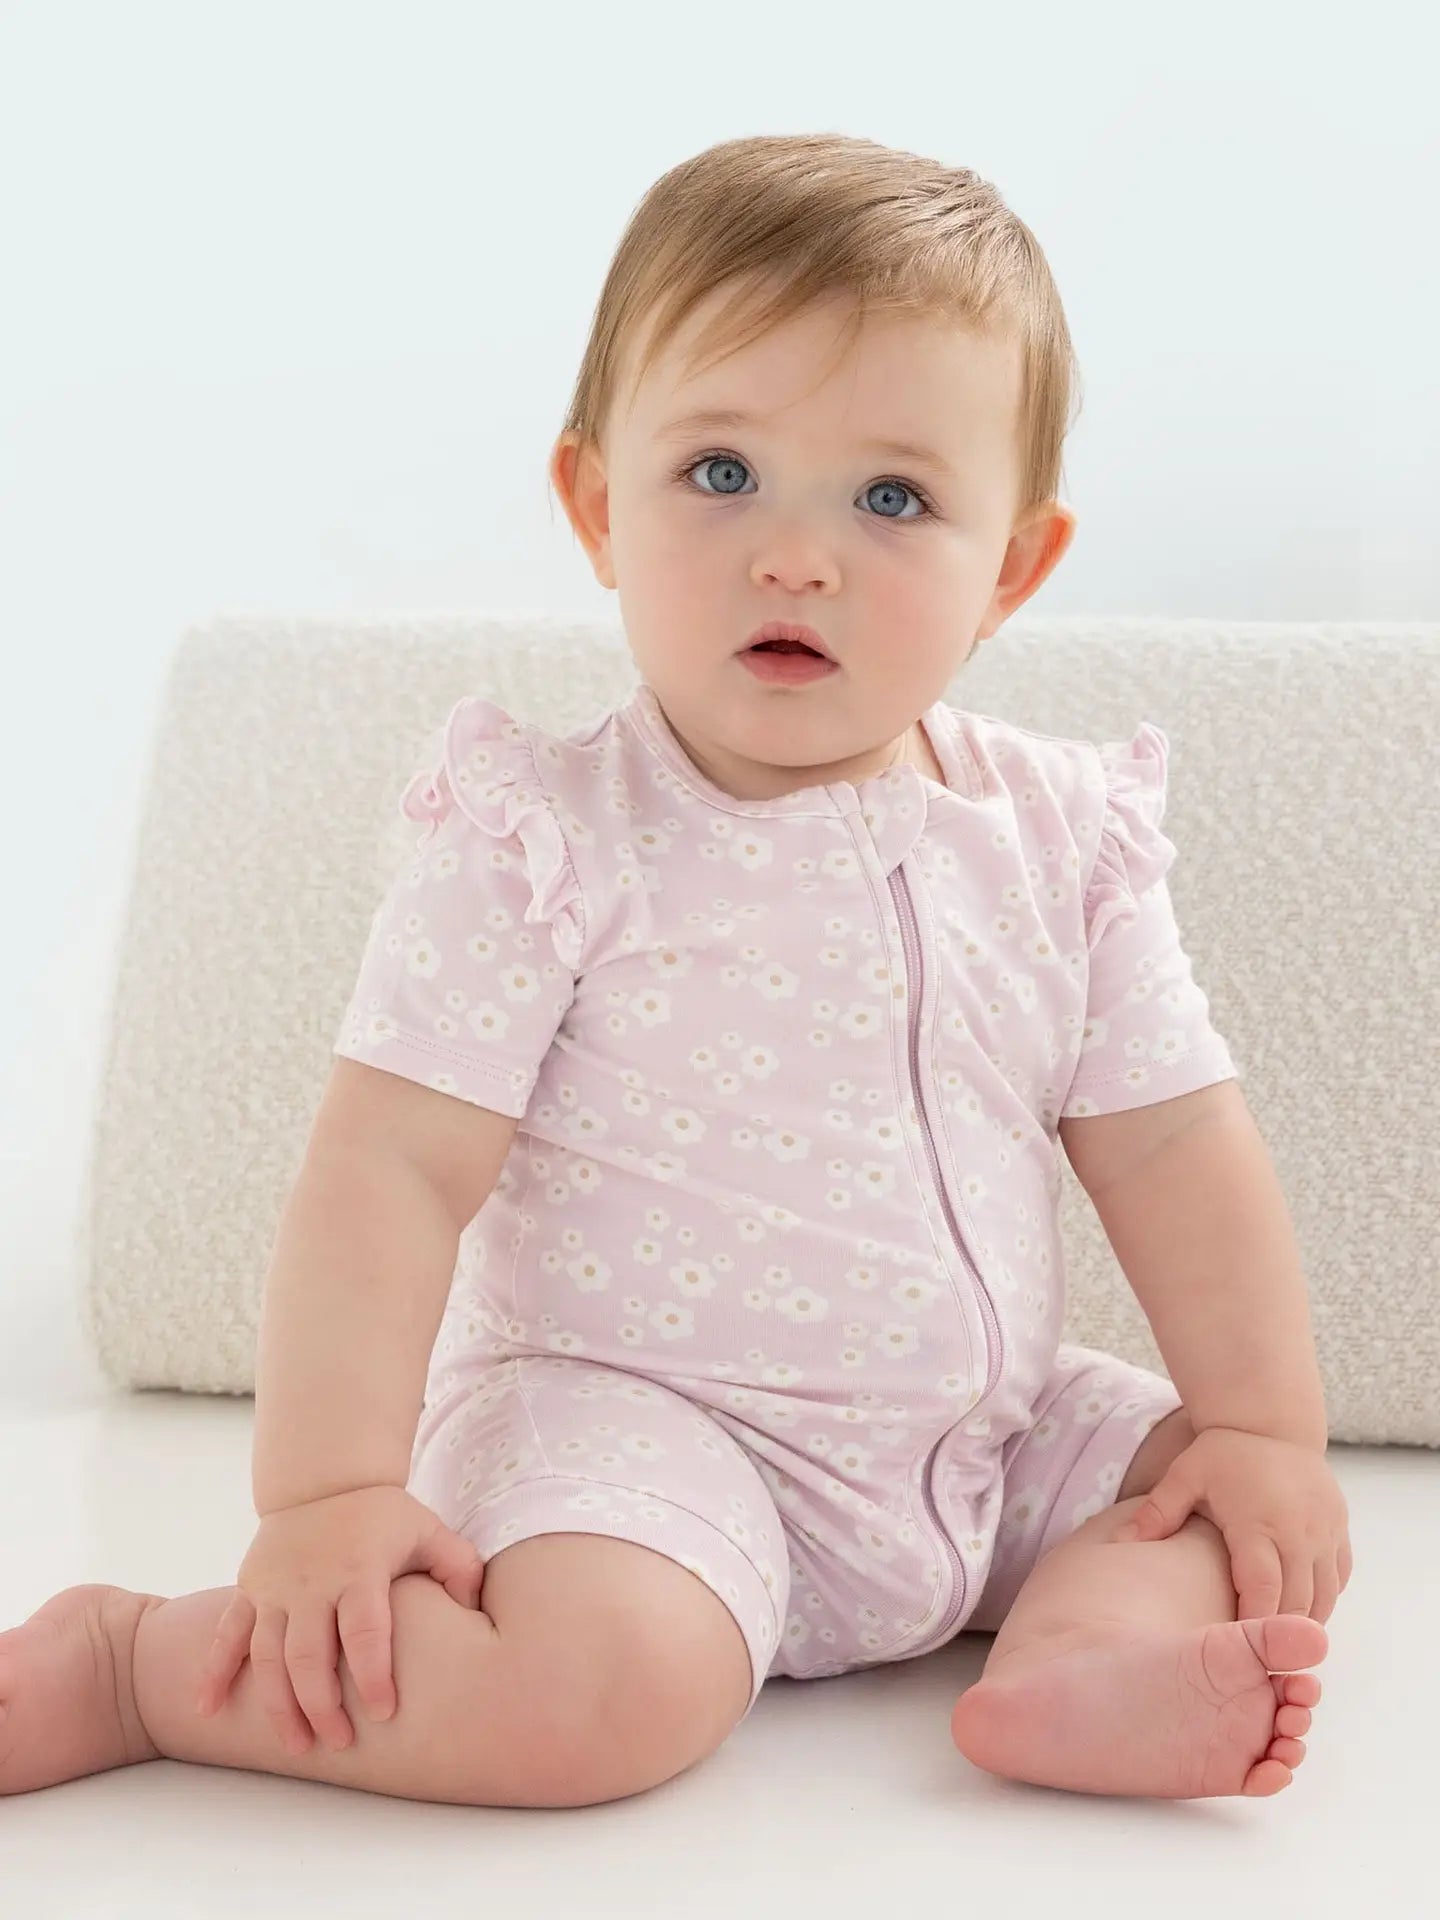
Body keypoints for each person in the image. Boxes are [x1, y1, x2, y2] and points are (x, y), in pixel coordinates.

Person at [1, 132, 1349, 1808]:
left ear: (1010, 567)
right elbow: (392, 1168)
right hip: (638, 1439)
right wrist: (328, 1496)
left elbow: (1174, 1141)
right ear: (597, 506)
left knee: (1223, 1509)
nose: (796, 555)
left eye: (892, 499)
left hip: (982, 1436)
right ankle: (136, 1663)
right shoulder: (546, 840)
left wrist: (1261, 1422)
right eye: (722, 472)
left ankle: (1083, 1663)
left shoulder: (1065, 841)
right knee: (596, 1698)